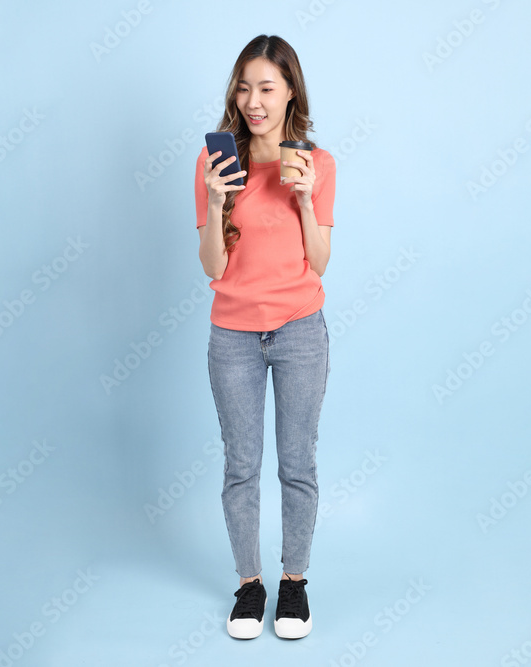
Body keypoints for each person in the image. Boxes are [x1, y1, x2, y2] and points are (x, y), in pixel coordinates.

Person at [194, 34, 336, 640]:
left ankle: (294, 582)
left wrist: (303, 198)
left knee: (297, 464)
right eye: (244, 88)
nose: (253, 101)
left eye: (267, 88)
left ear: (290, 93)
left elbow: (320, 262)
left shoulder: (319, 164)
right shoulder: (215, 165)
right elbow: (212, 267)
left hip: (300, 330)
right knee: (241, 466)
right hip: (233, 336)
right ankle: (249, 585)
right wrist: (215, 200)